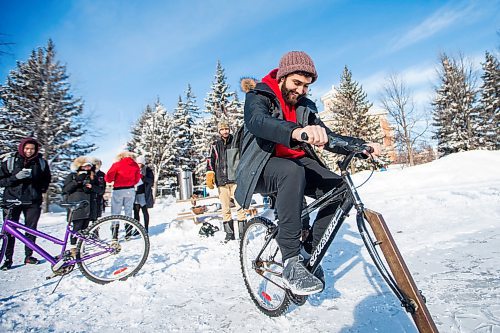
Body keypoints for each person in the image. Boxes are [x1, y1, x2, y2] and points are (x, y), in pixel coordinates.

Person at [234, 51, 381, 295]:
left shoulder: (304, 107)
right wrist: (297, 132)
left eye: (306, 86)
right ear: (282, 77)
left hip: (296, 164)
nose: (301, 90)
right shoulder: (259, 95)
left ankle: (307, 252)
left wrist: (359, 145)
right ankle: (291, 261)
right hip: (261, 167)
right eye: (297, 83)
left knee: (340, 190)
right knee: (290, 172)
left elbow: (327, 137)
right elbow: (258, 122)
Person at [0, 137, 51, 270]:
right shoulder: (10, 161)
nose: (29, 151)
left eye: (32, 149)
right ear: (22, 148)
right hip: (11, 200)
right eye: (27, 148)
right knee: (9, 231)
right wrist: (15, 178)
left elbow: (46, 179)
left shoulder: (41, 162)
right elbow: (1, 180)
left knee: (31, 229)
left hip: (32, 201)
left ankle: (29, 256)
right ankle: (7, 259)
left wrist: (39, 188)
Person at [206, 120, 247, 242]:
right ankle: (229, 234)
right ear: (219, 131)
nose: (225, 131)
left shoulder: (236, 142)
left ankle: (242, 233)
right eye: (222, 129)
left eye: (226, 129)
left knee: (240, 207)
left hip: (235, 180)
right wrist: (210, 173)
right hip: (221, 180)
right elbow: (210, 160)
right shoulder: (215, 145)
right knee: (225, 208)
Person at [62, 157, 105, 256]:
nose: (87, 168)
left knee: (85, 228)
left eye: (89, 166)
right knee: (76, 227)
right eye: (85, 166)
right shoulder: (72, 176)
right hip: (76, 206)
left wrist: (92, 186)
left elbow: (101, 190)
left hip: (88, 206)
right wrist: (77, 181)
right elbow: (65, 190)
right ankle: (73, 247)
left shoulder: (93, 177)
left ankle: (81, 247)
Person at [105, 151, 141, 239]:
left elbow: (108, 178)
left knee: (115, 212)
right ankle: (128, 233)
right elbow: (137, 179)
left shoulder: (117, 164)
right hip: (130, 189)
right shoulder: (135, 165)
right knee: (128, 212)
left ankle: (114, 236)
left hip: (118, 190)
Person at [133, 155, 154, 233]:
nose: (138, 165)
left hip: (144, 193)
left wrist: (143, 177)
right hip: (135, 193)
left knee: (144, 211)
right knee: (136, 212)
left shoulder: (147, 170)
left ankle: (146, 228)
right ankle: (137, 229)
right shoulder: (134, 170)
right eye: (137, 163)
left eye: (140, 163)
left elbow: (151, 181)